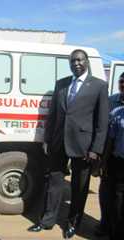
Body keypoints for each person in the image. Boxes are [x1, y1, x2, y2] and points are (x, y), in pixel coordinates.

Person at [27, 49, 109, 239]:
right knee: (53, 184)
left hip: (84, 146)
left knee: (79, 188)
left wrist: (96, 148)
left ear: (86, 62)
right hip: (58, 143)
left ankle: (73, 224)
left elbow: (101, 122)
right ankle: (46, 221)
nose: (76, 63)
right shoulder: (62, 84)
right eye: (72, 61)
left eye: (79, 60)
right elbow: (53, 115)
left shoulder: (99, 86)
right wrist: (47, 139)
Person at [97, 72, 124, 238]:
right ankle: (105, 225)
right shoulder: (111, 101)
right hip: (110, 155)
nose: (123, 84)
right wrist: (102, 160)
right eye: (121, 81)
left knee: (120, 199)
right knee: (106, 193)